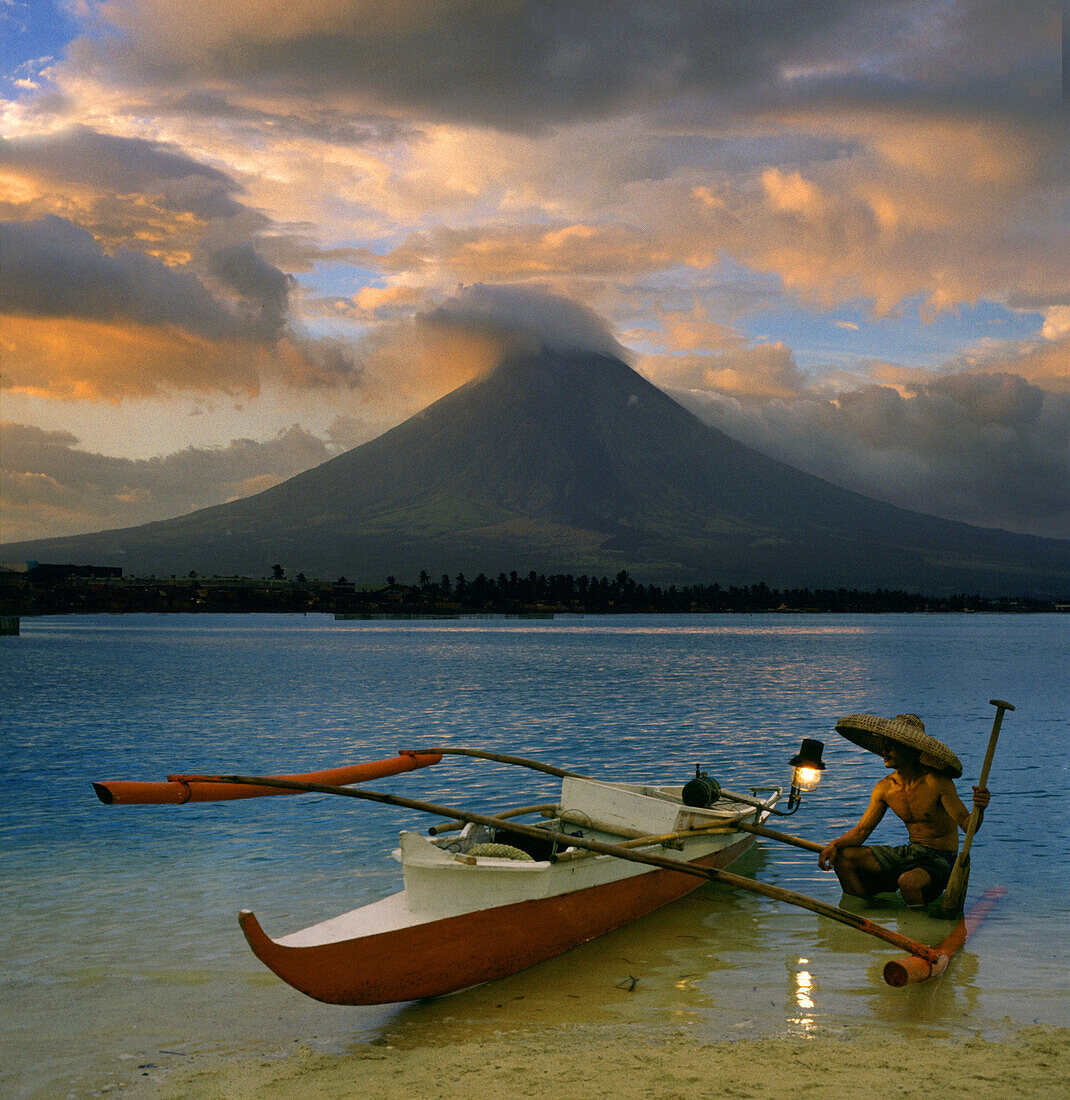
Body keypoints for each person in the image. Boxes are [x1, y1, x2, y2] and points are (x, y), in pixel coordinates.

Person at [818, 712, 990, 908]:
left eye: (892, 746)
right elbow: (861, 832)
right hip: (909, 852)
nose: (885, 751)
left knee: (907, 882)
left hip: (940, 859)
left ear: (911, 749)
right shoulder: (885, 787)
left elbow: (969, 827)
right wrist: (834, 844)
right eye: (884, 745)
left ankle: (916, 928)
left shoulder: (937, 782)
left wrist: (980, 808)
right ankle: (867, 912)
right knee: (844, 858)